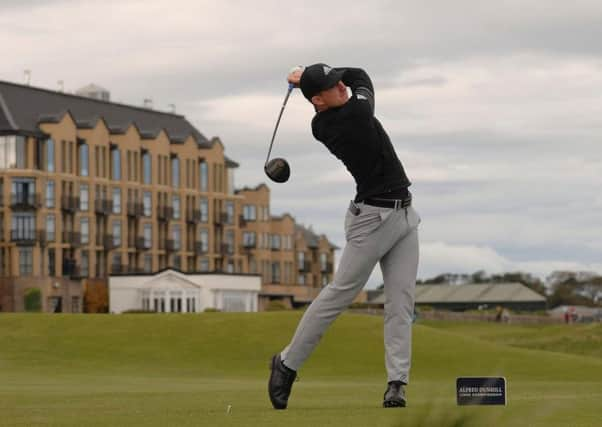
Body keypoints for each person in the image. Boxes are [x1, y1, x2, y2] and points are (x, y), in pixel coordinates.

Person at [268, 63, 421, 409]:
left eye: (338, 81)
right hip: (371, 221)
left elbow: (350, 75)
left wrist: (311, 72)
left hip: (404, 216)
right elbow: (363, 77)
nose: (341, 86)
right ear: (318, 100)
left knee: (401, 303)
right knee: (339, 294)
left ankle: (397, 383)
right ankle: (286, 363)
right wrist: (309, 76)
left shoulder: (335, 104)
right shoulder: (340, 120)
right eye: (331, 86)